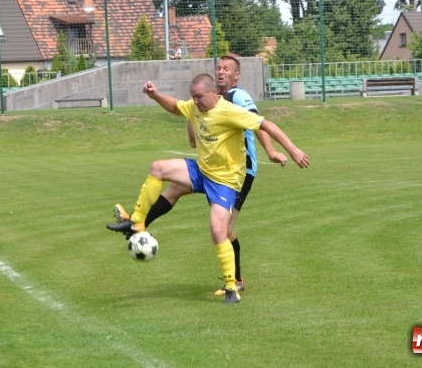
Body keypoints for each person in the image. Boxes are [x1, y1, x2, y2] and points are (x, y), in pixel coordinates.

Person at [107, 74, 309, 304]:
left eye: (200, 96)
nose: (196, 101)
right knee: (158, 168)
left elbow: (266, 124)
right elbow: (175, 107)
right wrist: (155, 95)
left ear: (213, 93)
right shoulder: (196, 107)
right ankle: (137, 222)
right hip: (201, 171)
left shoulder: (229, 110)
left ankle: (232, 288)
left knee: (217, 230)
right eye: (193, 97)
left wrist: (292, 150)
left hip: (225, 181)